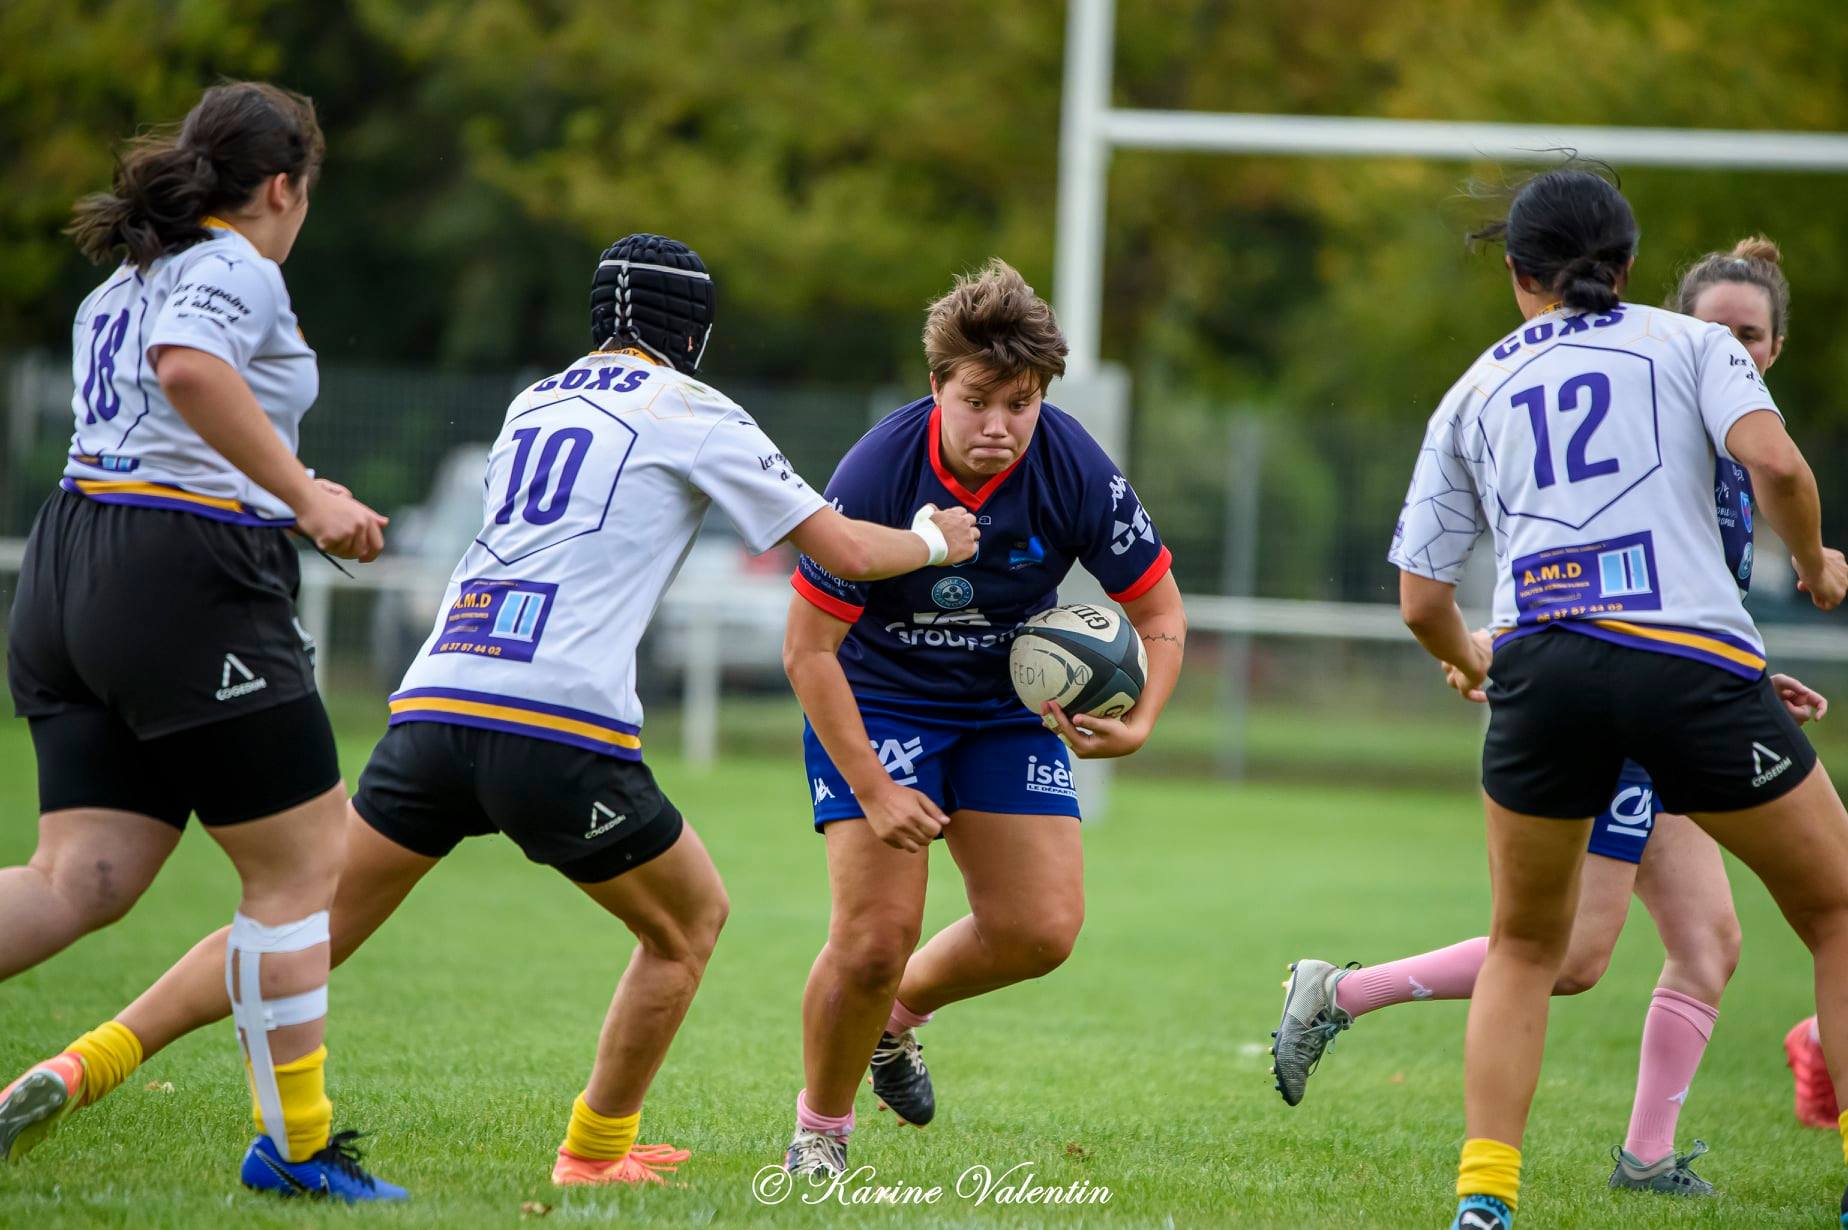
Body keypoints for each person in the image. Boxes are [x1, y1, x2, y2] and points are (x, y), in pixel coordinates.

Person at [0, 234, 979, 1189]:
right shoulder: (697, 410)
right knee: (688, 925)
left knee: (301, 931)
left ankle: (88, 1062)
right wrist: (934, 540)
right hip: (557, 723)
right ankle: (594, 1153)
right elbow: (847, 551)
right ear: (695, 333)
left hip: (436, 702)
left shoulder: (533, 400)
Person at [1273, 235, 1822, 1197]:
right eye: (1717, 327)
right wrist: (1487, 649)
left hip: (1681, 705)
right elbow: (1574, 560)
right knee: (1566, 955)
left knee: (1708, 944)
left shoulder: (1732, 449)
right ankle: (1341, 993)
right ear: (1670, 325)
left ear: (1773, 348)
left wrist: (1749, 680)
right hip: (1610, 715)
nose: (1733, 344)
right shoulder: (1654, 406)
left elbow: (1676, 599)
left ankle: (1646, 1160)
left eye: (1751, 333)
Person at [0, 82, 401, 1199]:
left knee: (82, 876)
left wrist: (294, 483)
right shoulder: (234, 264)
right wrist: (305, 498)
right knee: (307, 866)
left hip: (71, 562)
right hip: (179, 574)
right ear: (282, 186)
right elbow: (187, 368)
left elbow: (169, 406)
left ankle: (297, 1147)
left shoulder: (128, 277)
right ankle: (300, 1150)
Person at [779, 259, 1187, 1177]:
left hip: (1007, 707)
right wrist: (874, 789)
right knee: (873, 939)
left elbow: (1160, 611)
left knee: (1039, 931)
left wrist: (1143, 720)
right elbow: (806, 651)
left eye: (1021, 403)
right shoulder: (877, 473)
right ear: (937, 388)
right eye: (977, 402)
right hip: (879, 698)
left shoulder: (1073, 466)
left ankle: (892, 1020)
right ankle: (820, 1133)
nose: (999, 425)